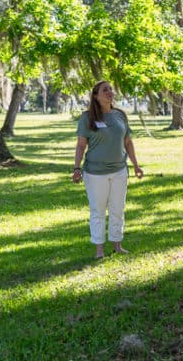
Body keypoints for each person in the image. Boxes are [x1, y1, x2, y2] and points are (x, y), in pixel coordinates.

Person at [72, 80, 144, 259]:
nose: (110, 92)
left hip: (119, 171)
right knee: (98, 211)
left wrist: (135, 165)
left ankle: (117, 245)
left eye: (111, 89)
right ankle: (99, 250)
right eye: (105, 90)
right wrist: (76, 168)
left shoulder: (120, 115)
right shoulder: (87, 117)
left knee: (117, 209)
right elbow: (81, 145)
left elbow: (127, 142)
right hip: (95, 173)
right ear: (96, 96)